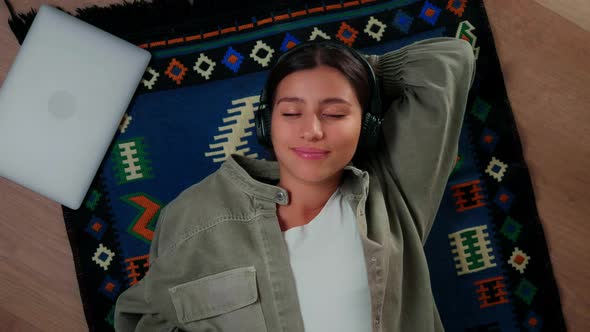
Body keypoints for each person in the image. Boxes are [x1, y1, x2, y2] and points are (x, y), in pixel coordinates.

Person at [114, 37, 476, 332]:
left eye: (335, 113)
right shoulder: (197, 213)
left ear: (366, 126)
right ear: (264, 123)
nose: (313, 130)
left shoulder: (391, 190)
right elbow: (142, 316)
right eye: (290, 112)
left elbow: (448, 61)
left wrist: (350, 70)